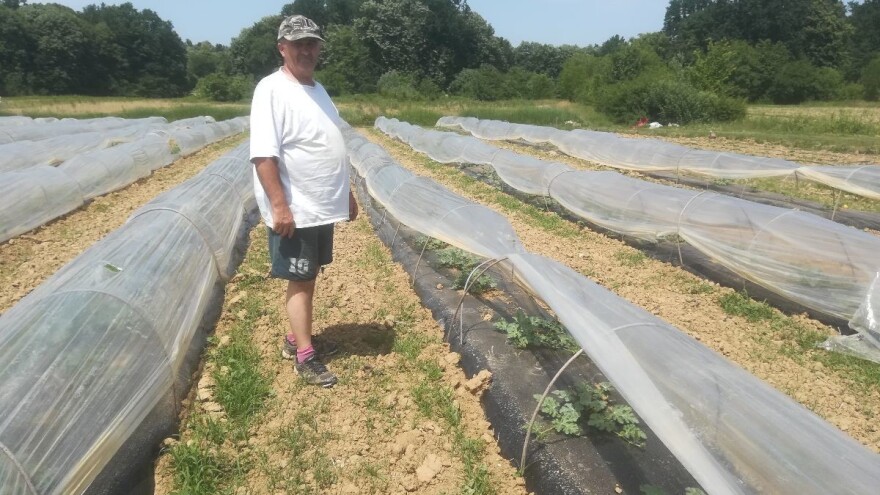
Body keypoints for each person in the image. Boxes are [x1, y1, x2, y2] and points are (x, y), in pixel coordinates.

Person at [249, 14, 358, 388]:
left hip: (320, 204)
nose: (306, 50)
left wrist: (347, 193)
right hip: (297, 209)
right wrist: (280, 206)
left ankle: (295, 338)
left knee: (308, 276)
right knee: (300, 279)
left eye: (312, 43)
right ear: (283, 48)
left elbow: (330, 145)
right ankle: (305, 357)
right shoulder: (271, 89)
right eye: (298, 44)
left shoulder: (317, 89)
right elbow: (264, 155)